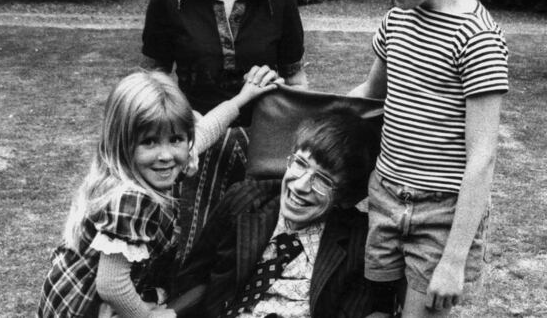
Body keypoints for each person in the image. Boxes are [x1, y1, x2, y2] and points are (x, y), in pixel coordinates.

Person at [349, 0, 510, 317]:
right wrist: (305, 119)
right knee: (375, 310)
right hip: (383, 198)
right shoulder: (397, 20)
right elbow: (368, 94)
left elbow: (482, 158)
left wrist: (454, 259)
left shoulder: (476, 38)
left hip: (440, 217)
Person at [140, 0, 308, 265]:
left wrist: (301, 148)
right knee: (188, 260)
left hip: (264, 159)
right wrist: (178, 120)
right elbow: (152, 81)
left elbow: (297, 80)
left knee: (250, 262)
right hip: (193, 153)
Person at [37, 67, 281, 318]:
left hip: (77, 293)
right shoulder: (132, 197)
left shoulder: (165, 162)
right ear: (122, 143)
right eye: (149, 142)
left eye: (175, 139)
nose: (165, 155)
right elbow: (111, 286)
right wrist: (148, 316)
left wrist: (242, 98)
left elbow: (207, 129)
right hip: (83, 307)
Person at [167, 108, 395, 318]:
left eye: (323, 180)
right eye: (301, 164)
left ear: (345, 198)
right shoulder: (245, 200)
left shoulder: (358, 243)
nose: (300, 186)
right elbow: (193, 276)